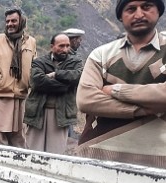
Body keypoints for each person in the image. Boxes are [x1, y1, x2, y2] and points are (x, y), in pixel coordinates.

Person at [76, 0, 166, 167]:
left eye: (146, 7)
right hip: (100, 153)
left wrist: (116, 90)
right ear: (120, 16)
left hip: (159, 159)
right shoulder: (101, 55)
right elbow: (86, 99)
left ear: (159, 11)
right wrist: (141, 109)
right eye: (131, 9)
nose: (139, 14)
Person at [0, 8, 37, 147]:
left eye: (13, 21)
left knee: (19, 141)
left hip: (21, 98)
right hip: (0, 97)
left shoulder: (31, 42)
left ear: (21, 21)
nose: (10, 24)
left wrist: (31, 82)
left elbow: (34, 65)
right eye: (8, 21)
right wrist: (0, 79)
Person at [24, 33, 83, 154]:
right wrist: (64, 86)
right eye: (61, 46)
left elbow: (78, 77)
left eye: (67, 46)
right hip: (38, 113)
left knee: (55, 154)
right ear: (52, 46)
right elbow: (37, 82)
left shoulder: (75, 62)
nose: (65, 49)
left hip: (60, 116)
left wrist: (56, 74)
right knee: (33, 153)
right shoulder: (39, 62)